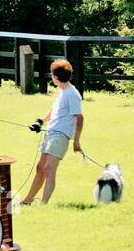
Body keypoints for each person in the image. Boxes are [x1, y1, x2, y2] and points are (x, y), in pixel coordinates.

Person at [17, 58, 84, 207]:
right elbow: (54, 111)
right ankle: (28, 200)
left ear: (56, 77)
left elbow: (79, 117)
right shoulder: (62, 91)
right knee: (40, 168)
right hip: (51, 133)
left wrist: (77, 141)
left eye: (52, 74)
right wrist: (40, 121)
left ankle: (44, 203)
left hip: (61, 136)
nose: (52, 77)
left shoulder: (72, 94)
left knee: (49, 169)